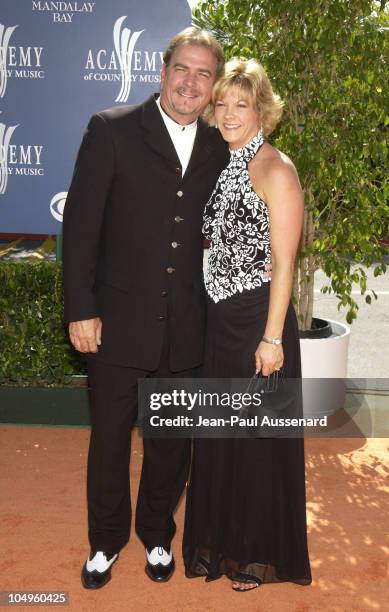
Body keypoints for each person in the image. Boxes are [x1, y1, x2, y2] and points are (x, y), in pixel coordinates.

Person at [62, 27, 228, 589]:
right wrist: (80, 309)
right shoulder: (111, 130)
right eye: (183, 68)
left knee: (170, 445)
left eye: (204, 74)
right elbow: (80, 229)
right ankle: (105, 542)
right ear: (163, 72)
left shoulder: (218, 149)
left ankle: (157, 533)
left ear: (213, 86)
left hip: (186, 328)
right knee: (109, 441)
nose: (191, 82)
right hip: (115, 324)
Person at [183, 58, 312, 591]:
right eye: (223, 103)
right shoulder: (215, 161)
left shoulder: (276, 169)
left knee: (256, 444)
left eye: (242, 104)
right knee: (220, 440)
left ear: (262, 111)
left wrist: (272, 338)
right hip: (220, 321)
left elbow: (285, 262)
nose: (230, 113)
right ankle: (217, 546)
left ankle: (256, 557)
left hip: (261, 322)